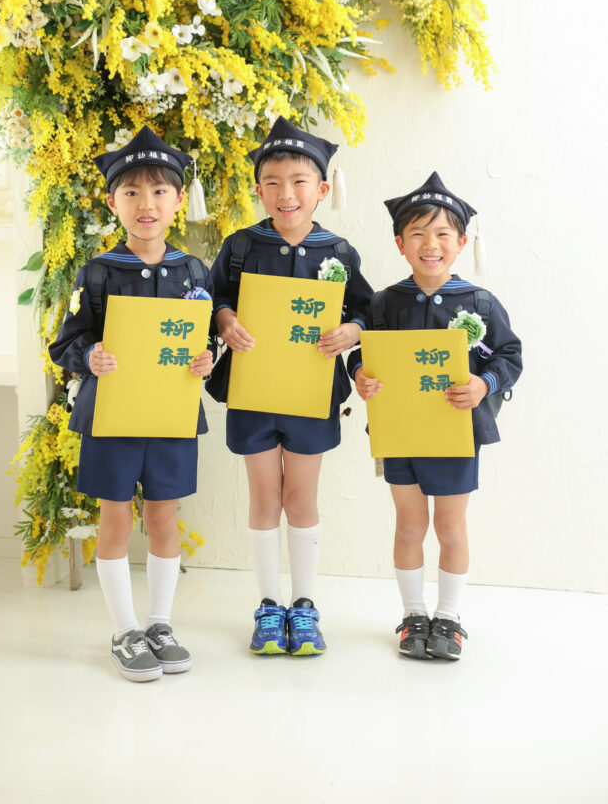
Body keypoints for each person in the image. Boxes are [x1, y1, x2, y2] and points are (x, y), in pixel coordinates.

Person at [49, 126, 213, 682]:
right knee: (116, 518)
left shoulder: (193, 272)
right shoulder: (97, 272)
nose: (147, 203)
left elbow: (203, 339)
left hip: (170, 415)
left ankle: (160, 624)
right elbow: (65, 343)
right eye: (133, 192)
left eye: (160, 191)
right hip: (113, 416)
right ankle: (124, 630)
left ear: (179, 200)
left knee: (164, 517)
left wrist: (206, 359)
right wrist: (89, 356)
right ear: (112, 201)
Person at [208, 117, 373, 656]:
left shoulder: (338, 252)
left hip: (310, 394)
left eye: (299, 181)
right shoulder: (240, 246)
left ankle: (304, 605)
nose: (286, 194)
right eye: (273, 182)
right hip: (253, 390)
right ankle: (268, 604)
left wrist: (352, 330)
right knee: (264, 497)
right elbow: (210, 299)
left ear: (322, 190)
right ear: (259, 190)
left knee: (300, 497)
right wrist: (225, 319)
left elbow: (367, 310)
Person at [349, 172, 522, 661]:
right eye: (418, 234)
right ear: (400, 243)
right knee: (409, 524)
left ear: (461, 243)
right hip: (400, 431)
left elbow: (509, 355)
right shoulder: (384, 303)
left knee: (450, 527)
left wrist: (484, 384)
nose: (431, 245)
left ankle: (448, 617)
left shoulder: (480, 303)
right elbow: (362, 353)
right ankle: (413, 614)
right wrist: (361, 374)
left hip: (455, 432)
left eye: (443, 234)